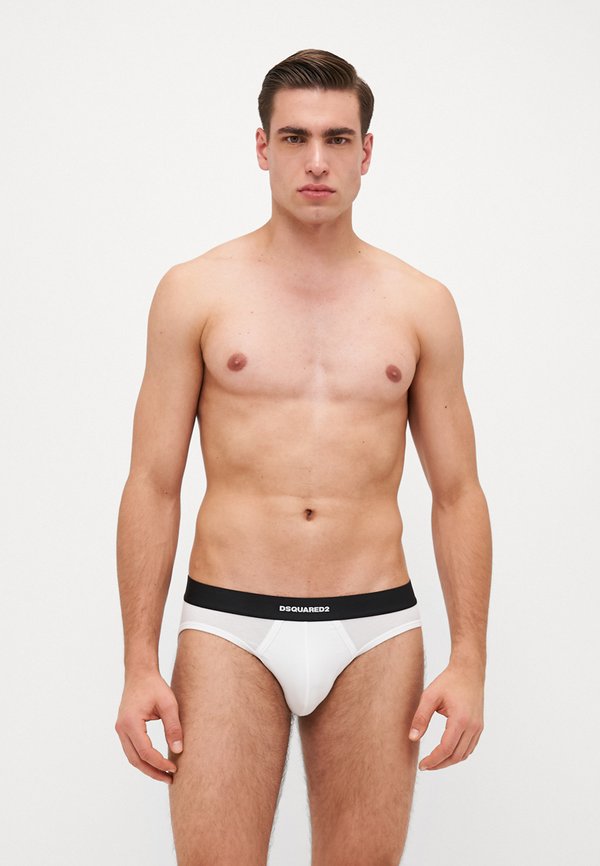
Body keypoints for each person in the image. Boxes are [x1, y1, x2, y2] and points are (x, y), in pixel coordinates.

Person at [115, 48, 492, 866]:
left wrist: (470, 660)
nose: (316, 161)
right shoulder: (195, 292)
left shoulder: (421, 304)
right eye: (294, 138)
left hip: (375, 629)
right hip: (229, 625)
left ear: (366, 152)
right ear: (262, 147)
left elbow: (458, 492)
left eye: (336, 138)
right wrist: (139, 661)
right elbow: (152, 482)